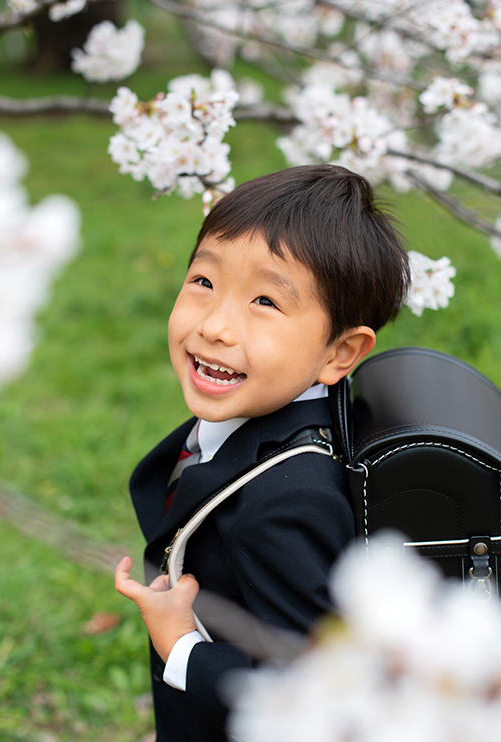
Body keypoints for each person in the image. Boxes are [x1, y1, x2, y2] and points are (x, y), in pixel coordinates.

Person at [114, 164, 410, 741]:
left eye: (266, 302)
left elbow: (315, 679)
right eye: (203, 282)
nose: (217, 326)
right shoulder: (259, 416)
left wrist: (181, 649)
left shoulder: (286, 502)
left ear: (340, 352)